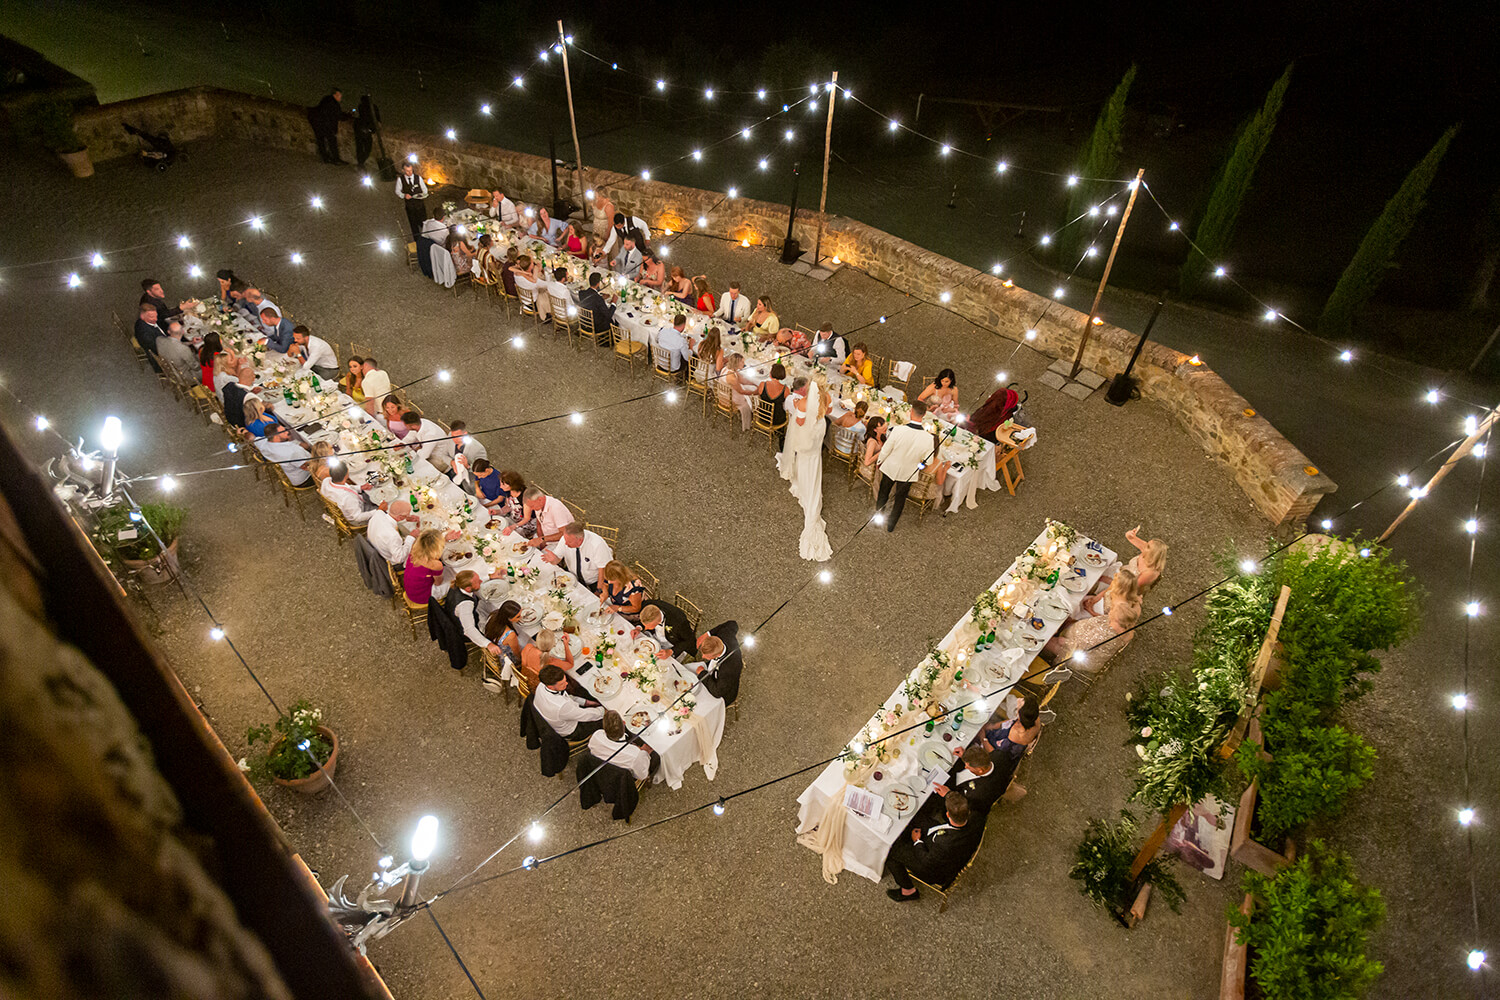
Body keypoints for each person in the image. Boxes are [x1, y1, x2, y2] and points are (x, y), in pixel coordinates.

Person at [884, 791, 983, 902]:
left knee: (891, 851)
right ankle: (904, 836)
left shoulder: (944, 843)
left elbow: (926, 861)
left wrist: (917, 841)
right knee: (916, 816)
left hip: (933, 870)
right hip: (949, 839)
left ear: (947, 815)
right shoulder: (977, 818)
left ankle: (908, 890)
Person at [778, 378, 834, 561]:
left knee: (804, 461)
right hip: (818, 435)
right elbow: (829, 411)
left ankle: (805, 486)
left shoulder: (803, 402)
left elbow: (800, 423)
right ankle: (811, 486)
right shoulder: (826, 398)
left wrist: (796, 406)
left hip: (807, 439)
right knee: (815, 461)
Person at [875, 400, 937, 531]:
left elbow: (886, 449)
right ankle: (891, 525)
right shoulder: (928, 438)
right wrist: (919, 465)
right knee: (900, 499)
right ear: (924, 415)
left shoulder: (898, 430)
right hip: (909, 473)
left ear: (910, 413)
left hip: (890, 467)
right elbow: (928, 461)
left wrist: (879, 461)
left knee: (883, 493)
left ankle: (878, 519)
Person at [1044, 591, 1142, 671]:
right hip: (1076, 631)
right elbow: (1099, 620)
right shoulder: (1120, 625)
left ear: (1116, 618)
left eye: (1112, 610)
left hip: (1074, 653)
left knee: (1046, 639)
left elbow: (1079, 648)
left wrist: (1062, 640)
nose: (1110, 610)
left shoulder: (1104, 635)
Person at [918, 744, 1009, 824]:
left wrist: (948, 794)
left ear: (980, 770)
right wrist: (966, 756)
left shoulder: (977, 793)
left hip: (961, 797)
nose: (965, 766)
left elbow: (961, 806)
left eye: (968, 766)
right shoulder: (999, 755)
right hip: (961, 779)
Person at [981, 695, 1041, 792]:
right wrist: (992, 726)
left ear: (1020, 714)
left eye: (1019, 704)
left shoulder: (1017, 736)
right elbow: (1011, 722)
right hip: (1000, 741)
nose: (1018, 699)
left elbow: (996, 755)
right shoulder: (1033, 718)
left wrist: (983, 738)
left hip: (998, 755)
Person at [534, 663, 605, 740]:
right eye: (562, 684)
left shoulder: (541, 685)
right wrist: (604, 710)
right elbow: (585, 715)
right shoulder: (561, 706)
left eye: (565, 680)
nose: (566, 683)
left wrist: (587, 702)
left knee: (581, 692)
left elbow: (568, 698)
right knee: (607, 720)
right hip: (573, 730)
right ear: (550, 686)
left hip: (560, 716)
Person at [541, 521, 614, 589]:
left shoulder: (597, 545)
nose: (566, 543)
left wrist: (599, 590)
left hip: (593, 581)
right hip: (572, 577)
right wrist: (553, 560)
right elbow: (557, 559)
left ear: (580, 540)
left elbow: (603, 569)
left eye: (569, 542)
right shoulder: (566, 539)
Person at [588, 710, 656, 781]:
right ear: (624, 723)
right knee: (656, 756)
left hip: (599, 773)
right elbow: (642, 776)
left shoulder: (596, 736)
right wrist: (645, 752)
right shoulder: (636, 754)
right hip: (620, 783)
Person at [504, 486, 571, 548]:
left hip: (558, 542)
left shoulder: (556, 508)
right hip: (545, 536)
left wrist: (542, 539)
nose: (532, 509)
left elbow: (564, 534)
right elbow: (539, 522)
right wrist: (540, 537)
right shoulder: (538, 504)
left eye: (532, 506)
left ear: (540, 499)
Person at [402, 529, 451, 605]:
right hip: (423, 596)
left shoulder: (414, 550)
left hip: (411, 589)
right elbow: (438, 583)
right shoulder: (435, 564)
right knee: (455, 577)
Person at [519, 628, 575, 693]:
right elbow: (570, 664)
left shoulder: (528, 647)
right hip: (540, 690)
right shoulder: (552, 662)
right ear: (553, 645)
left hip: (525, 680)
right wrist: (566, 644)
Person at [367, 499, 419, 565]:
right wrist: (411, 537)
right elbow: (400, 559)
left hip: (376, 544)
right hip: (386, 559)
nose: (409, 515)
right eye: (407, 514)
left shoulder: (378, 514)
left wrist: (406, 519)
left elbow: (392, 519)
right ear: (400, 517)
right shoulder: (393, 536)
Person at [308, 87, 351, 164]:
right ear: (335, 95)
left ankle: (326, 158)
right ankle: (335, 159)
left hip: (318, 122)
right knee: (331, 141)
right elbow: (339, 116)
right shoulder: (333, 103)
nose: (341, 97)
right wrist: (349, 115)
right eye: (339, 95)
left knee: (321, 141)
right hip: (323, 124)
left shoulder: (327, 100)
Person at [758, 363, 789, 448]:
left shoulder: (762, 385)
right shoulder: (785, 389)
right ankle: (781, 434)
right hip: (777, 420)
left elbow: (759, 395)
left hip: (762, 416)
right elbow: (787, 404)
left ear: (771, 374)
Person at [395, 162, 429, 240]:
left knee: (423, 222)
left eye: (411, 170)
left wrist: (422, 195)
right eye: (407, 171)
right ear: (403, 170)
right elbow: (397, 191)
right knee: (413, 224)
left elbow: (425, 190)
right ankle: (417, 240)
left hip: (420, 205)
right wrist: (404, 195)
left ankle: (426, 238)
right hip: (410, 206)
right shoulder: (400, 180)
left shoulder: (418, 178)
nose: (410, 173)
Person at [724, 354, 757, 431]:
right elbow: (741, 391)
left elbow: (742, 380)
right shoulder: (731, 377)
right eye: (742, 362)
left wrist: (753, 384)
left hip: (729, 390)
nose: (744, 364)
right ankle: (751, 421)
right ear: (737, 363)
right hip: (730, 396)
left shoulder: (731, 369)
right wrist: (754, 392)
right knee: (752, 399)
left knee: (752, 388)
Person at [578, 271, 616, 337]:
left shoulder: (581, 293)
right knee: (613, 321)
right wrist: (613, 303)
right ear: (598, 284)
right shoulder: (598, 299)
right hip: (596, 326)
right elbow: (608, 315)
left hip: (584, 322)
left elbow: (591, 300)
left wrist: (601, 297)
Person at [353, 92, 380, 169]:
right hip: (366, 130)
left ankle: (360, 163)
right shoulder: (373, 107)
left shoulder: (361, 107)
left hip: (359, 130)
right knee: (367, 148)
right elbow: (377, 119)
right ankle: (361, 162)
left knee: (360, 148)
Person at [133, 304, 162, 370]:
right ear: (142, 316)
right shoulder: (144, 332)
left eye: (156, 316)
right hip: (161, 362)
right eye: (152, 317)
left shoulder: (144, 322)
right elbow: (157, 349)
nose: (156, 319)